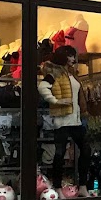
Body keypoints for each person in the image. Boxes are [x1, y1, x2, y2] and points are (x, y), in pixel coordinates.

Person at [38, 45, 90, 190]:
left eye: (73, 56)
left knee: (86, 150)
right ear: (63, 57)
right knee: (59, 153)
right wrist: (56, 101)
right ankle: (58, 187)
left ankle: (83, 186)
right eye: (70, 56)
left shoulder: (72, 73)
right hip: (62, 119)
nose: (73, 59)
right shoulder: (55, 73)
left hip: (76, 119)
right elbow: (42, 87)